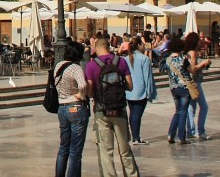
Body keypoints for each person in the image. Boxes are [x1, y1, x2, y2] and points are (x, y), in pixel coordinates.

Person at [84, 36, 140, 177]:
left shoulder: (91, 65)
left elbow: (90, 93)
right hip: (119, 109)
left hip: (101, 110)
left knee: (106, 150)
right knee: (125, 149)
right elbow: (130, 86)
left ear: (96, 48)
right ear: (109, 47)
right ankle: (132, 174)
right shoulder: (121, 62)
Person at [54, 41, 89, 176]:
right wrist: (81, 94)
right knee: (75, 149)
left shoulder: (58, 66)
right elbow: (83, 85)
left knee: (63, 147)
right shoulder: (75, 68)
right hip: (75, 106)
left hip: (62, 107)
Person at [125, 36, 157, 145]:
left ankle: (134, 136)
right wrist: (150, 92)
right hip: (141, 90)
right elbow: (147, 77)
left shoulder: (126, 59)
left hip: (129, 90)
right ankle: (136, 137)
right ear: (139, 45)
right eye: (143, 44)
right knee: (137, 114)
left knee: (132, 113)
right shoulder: (145, 59)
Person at [184, 31, 213, 140]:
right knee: (204, 106)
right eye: (199, 40)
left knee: (191, 108)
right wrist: (203, 63)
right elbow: (193, 70)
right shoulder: (193, 53)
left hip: (190, 83)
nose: (201, 41)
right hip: (195, 82)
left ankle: (190, 131)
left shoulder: (187, 52)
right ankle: (200, 131)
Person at [165, 36, 191, 144]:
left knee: (178, 111)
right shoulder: (183, 60)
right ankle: (181, 137)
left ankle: (171, 134)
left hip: (173, 88)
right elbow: (192, 70)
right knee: (183, 112)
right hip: (184, 87)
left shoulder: (167, 60)